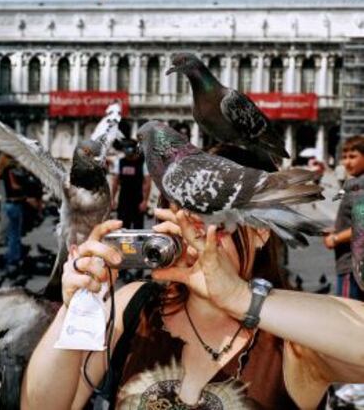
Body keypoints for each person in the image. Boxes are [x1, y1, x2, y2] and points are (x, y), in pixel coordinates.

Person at [22, 208, 364, 409]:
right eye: (183, 223)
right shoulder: (135, 307)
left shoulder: (292, 340)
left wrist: (241, 298)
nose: (197, 241)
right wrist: (76, 305)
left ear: (260, 231)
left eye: (215, 225)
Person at [324, 135, 364, 300]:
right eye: (344, 157)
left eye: (353, 157)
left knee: (348, 317)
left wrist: (335, 238)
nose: (347, 162)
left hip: (351, 267)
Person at [111, 139, 151, 229]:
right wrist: (113, 199)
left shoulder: (142, 163)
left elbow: (147, 183)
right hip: (123, 199)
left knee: (138, 229)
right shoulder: (120, 162)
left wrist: (145, 201)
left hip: (138, 200)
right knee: (123, 228)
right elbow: (115, 182)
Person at [1, 155, 26, 277]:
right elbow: (14, 185)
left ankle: (13, 257)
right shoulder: (10, 170)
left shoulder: (7, 170)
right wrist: (26, 187)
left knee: (13, 233)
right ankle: (13, 259)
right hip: (14, 204)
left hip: (11, 204)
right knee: (14, 235)